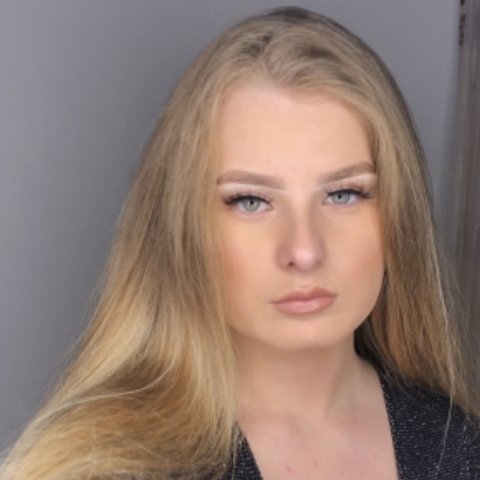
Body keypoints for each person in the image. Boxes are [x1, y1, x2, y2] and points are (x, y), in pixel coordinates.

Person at [1, 6, 478, 480]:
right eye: (251, 201)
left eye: (343, 194)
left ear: (399, 215)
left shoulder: (457, 444)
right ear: (183, 229)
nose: (304, 251)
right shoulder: (106, 467)